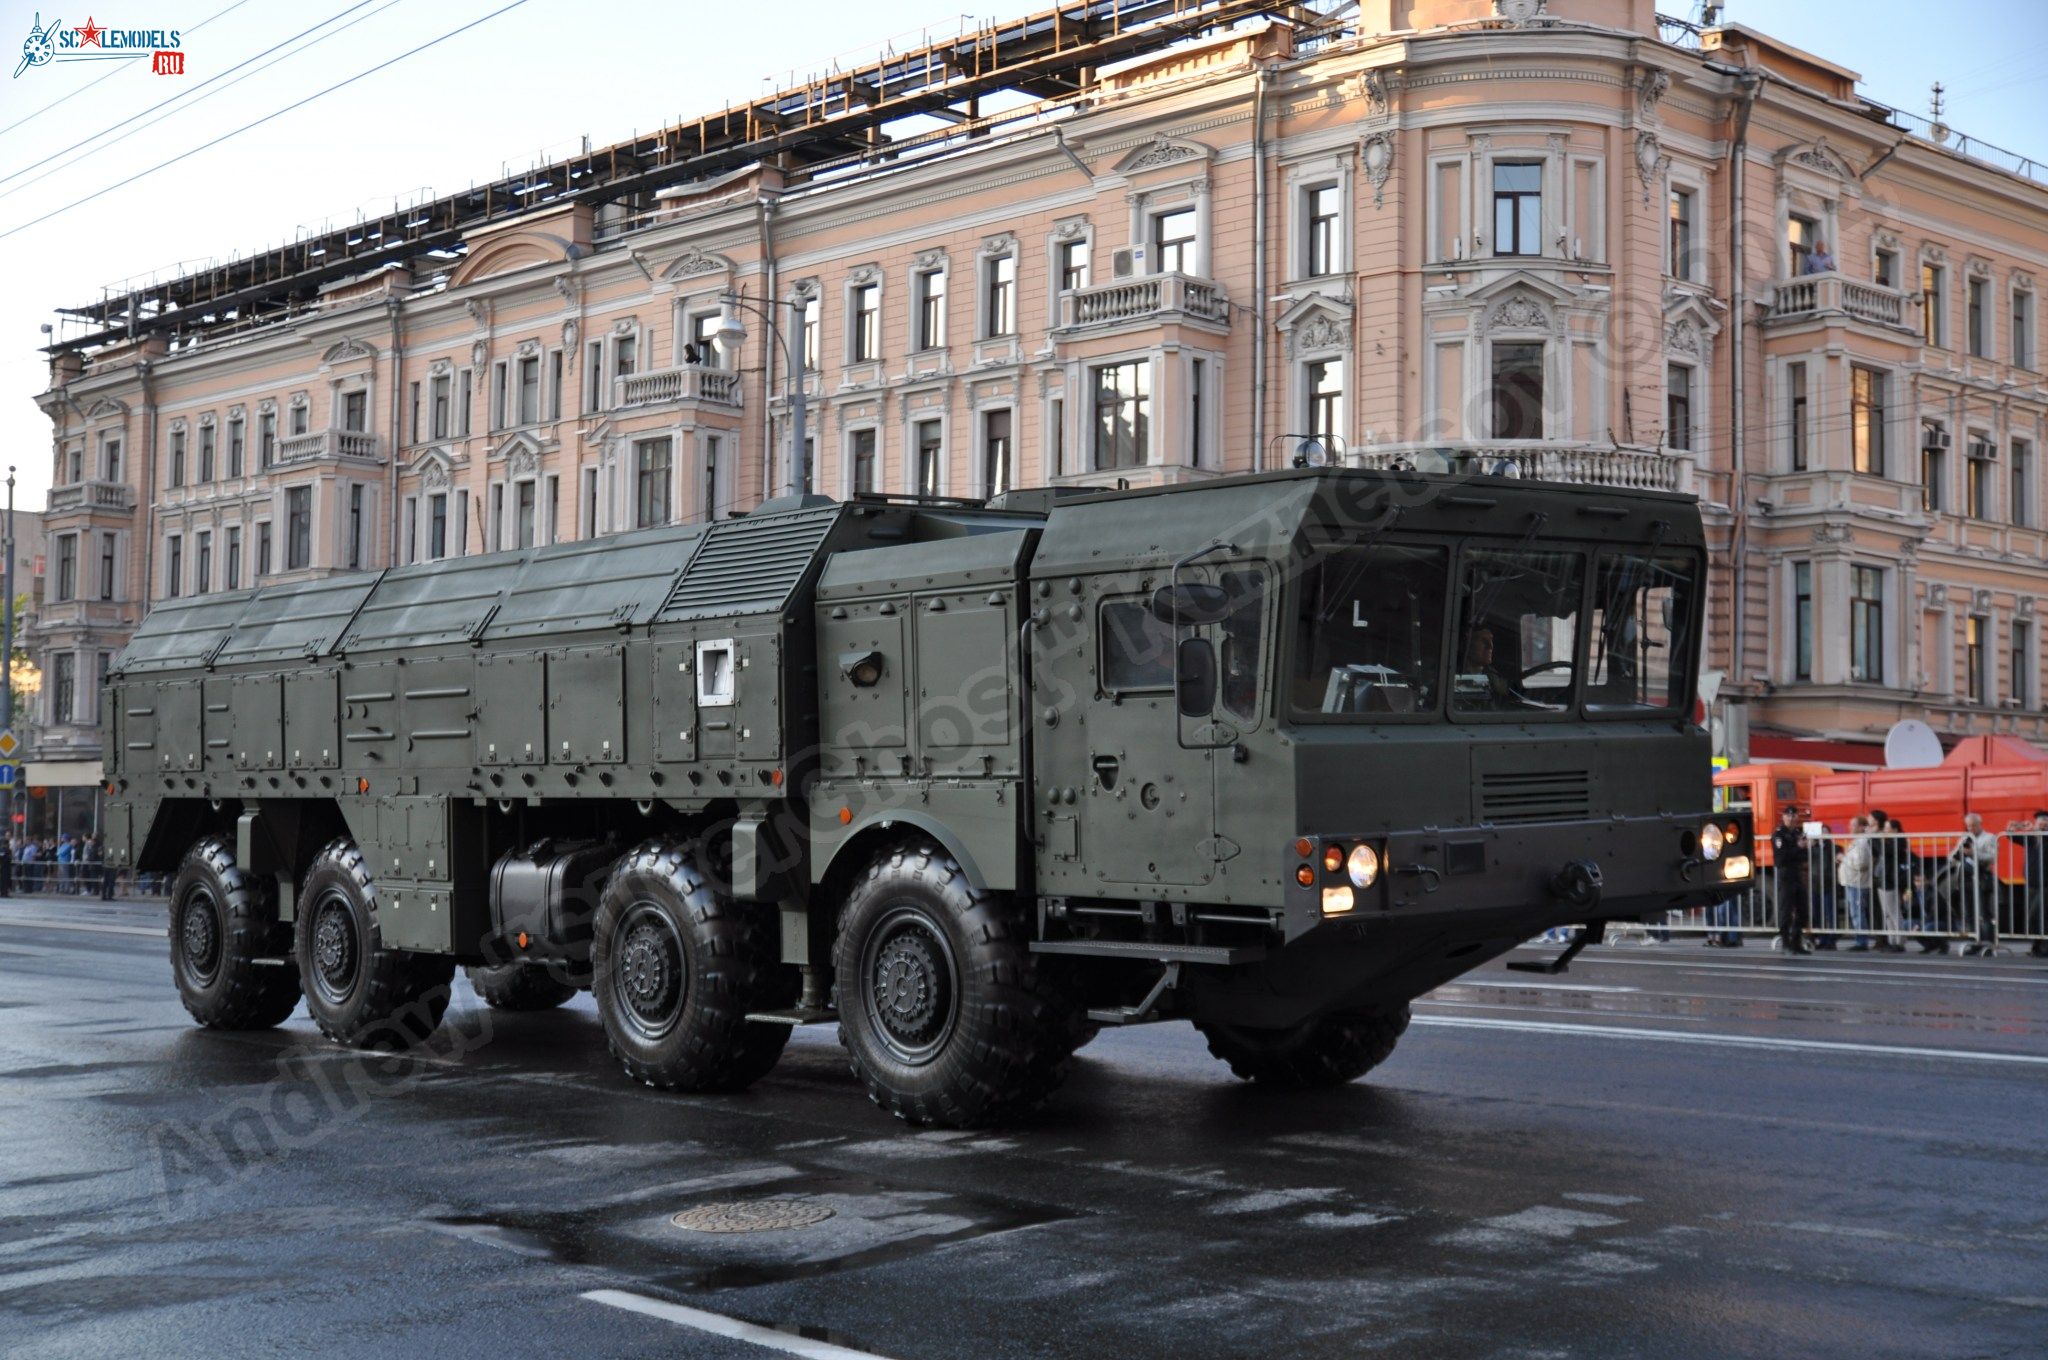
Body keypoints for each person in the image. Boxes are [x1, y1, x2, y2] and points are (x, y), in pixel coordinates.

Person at [1950, 813, 2000, 955]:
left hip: (1981, 878)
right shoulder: (1964, 838)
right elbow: (1952, 857)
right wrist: (1957, 854)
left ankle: (1988, 944)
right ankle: (1975, 942)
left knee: (1984, 912)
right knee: (1969, 912)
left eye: (1973, 825)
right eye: (1969, 826)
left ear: (1980, 824)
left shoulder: (1989, 837)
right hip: (1965, 879)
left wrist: (1973, 852)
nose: (1971, 828)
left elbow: (1992, 857)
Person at [1771, 804, 1811, 954]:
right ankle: (1786, 943)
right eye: (1788, 815)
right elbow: (1781, 858)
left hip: (1798, 873)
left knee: (1803, 910)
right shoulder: (1779, 834)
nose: (1791, 818)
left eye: (1794, 815)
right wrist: (1798, 848)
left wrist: (1800, 849)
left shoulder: (1798, 833)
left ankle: (1796, 942)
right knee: (1785, 910)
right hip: (1786, 875)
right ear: (1783, 817)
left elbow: (1804, 855)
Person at [1838, 815, 1875, 951]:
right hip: (1853, 881)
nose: (1850, 827)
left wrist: (1843, 859)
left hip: (1857, 883)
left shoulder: (1862, 843)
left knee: (1857, 913)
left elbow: (1861, 864)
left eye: (1853, 825)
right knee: (1856, 912)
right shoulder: (1858, 841)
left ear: (1861, 827)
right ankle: (1860, 940)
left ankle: (1861, 941)